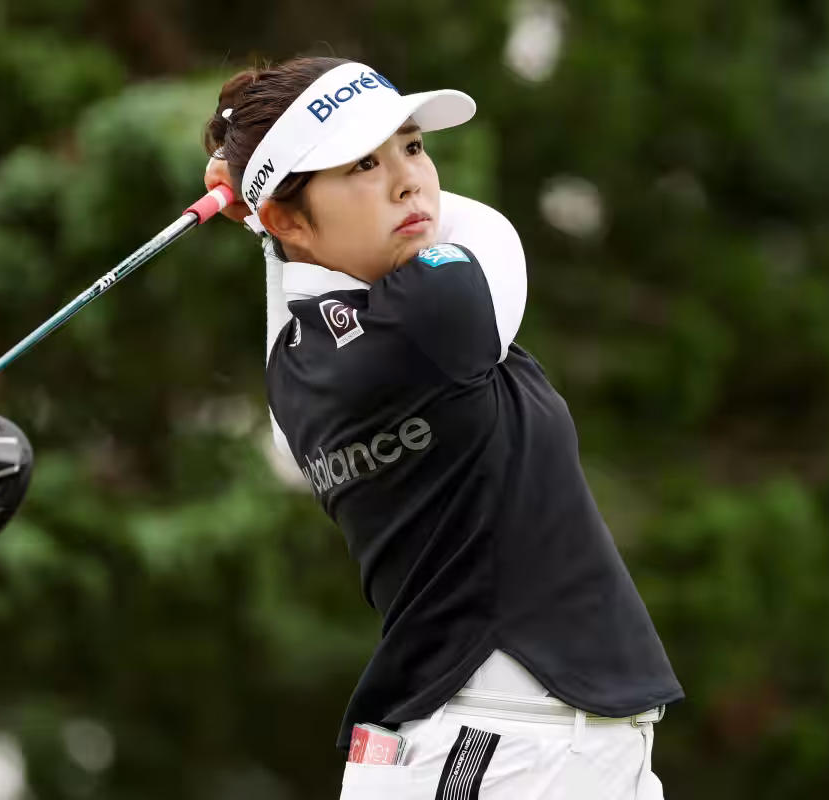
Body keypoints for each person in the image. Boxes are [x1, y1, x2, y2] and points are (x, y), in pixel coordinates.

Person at [201, 56, 683, 799]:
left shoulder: (292, 366)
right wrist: (258, 202)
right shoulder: (436, 312)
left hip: (518, 741)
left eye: (414, 147)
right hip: (502, 746)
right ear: (291, 218)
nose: (410, 182)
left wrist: (267, 209)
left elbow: (307, 265)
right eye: (364, 163)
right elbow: (488, 228)